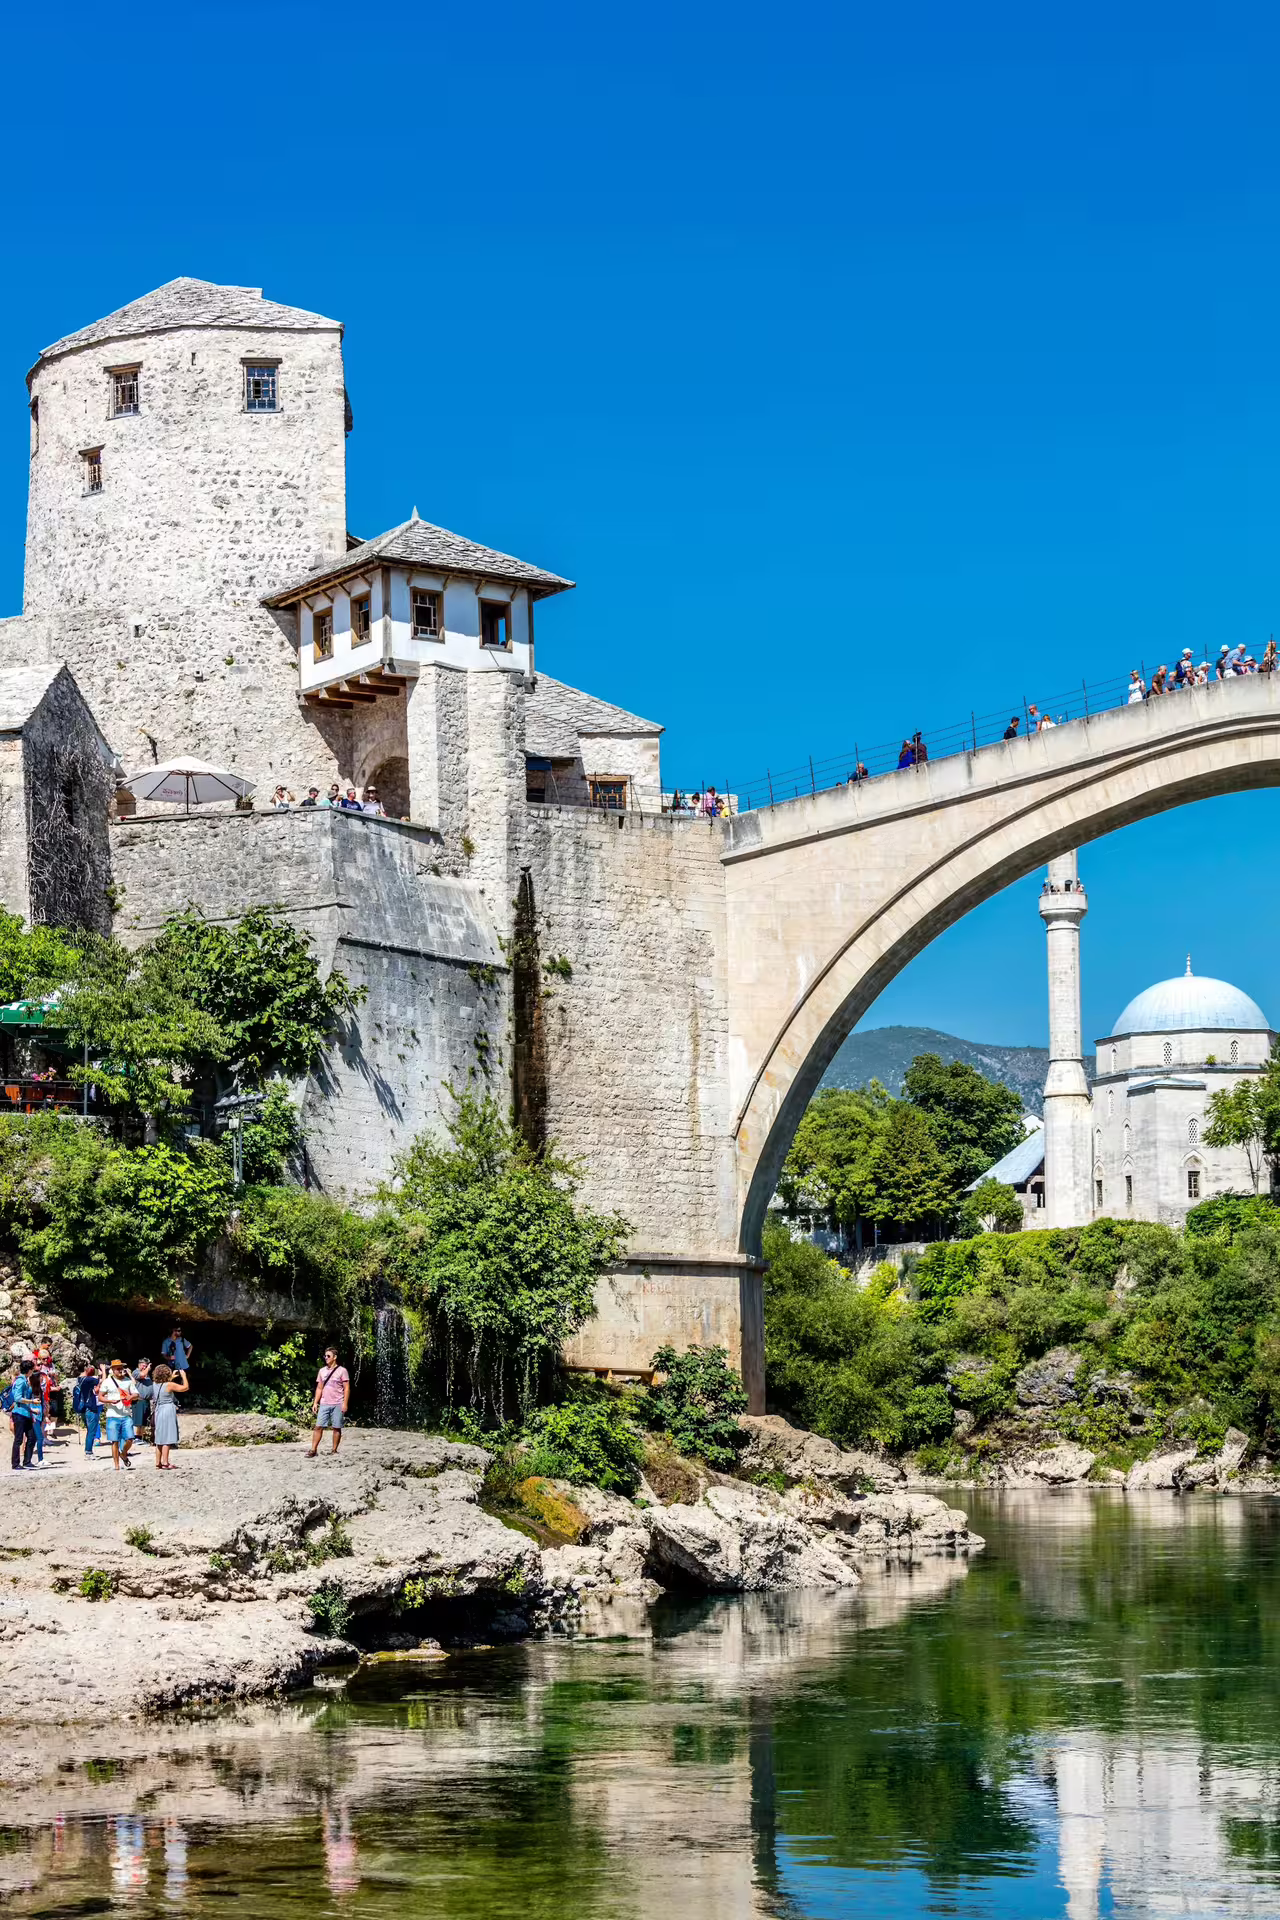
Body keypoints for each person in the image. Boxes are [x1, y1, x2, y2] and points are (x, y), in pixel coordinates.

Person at [309, 1347, 351, 1457]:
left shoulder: (342, 1371)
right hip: (324, 1403)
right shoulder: (322, 1371)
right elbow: (319, 1388)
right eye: (325, 1356)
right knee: (318, 1426)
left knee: (336, 1427)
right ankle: (313, 1450)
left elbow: (346, 1388)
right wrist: (315, 1403)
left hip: (338, 1402)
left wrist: (345, 1403)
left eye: (328, 1356)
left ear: (335, 1357)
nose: (326, 1358)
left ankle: (334, 1450)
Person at [99, 1359, 137, 1470]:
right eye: (118, 1368)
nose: (121, 1370)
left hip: (126, 1414)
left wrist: (131, 1396)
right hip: (112, 1415)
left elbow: (136, 1394)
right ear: (113, 1370)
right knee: (114, 1441)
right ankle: (116, 1466)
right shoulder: (107, 1382)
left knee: (130, 1438)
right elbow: (100, 1397)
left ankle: (123, 1453)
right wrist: (110, 1401)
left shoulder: (128, 1381)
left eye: (122, 1368)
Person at [149, 1364, 188, 1470]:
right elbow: (185, 1388)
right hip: (167, 1410)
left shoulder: (155, 1384)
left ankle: (158, 1463)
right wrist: (183, 1376)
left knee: (160, 1438)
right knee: (167, 1437)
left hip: (159, 1410)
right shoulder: (169, 1385)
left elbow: (163, 1385)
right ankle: (165, 1462)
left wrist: (171, 1378)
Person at [8, 1359, 38, 1470]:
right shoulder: (21, 1381)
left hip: (26, 1413)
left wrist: (31, 1410)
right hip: (19, 1413)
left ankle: (27, 1461)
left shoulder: (24, 1380)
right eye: (32, 1369)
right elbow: (17, 1398)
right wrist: (32, 1402)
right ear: (29, 1370)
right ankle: (15, 1464)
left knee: (32, 1437)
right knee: (19, 1439)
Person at [71, 1360, 101, 1457]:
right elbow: (102, 1382)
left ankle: (88, 1451)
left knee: (89, 1430)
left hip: (83, 1408)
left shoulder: (79, 1379)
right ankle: (88, 1452)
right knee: (92, 1431)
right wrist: (103, 1372)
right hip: (90, 1408)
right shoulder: (88, 1380)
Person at [132, 1358, 154, 1443]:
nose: (145, 1367)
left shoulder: (147, 1375)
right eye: (143, 1365)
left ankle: (141, 1437)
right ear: (139, 1365)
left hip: (146, 1400)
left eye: (146, 1366)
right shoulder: (136, 1372)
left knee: (144, 1420)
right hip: (139, 1400)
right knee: (138, 1420)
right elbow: (141, 1375)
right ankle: (136, 1437)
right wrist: (147, 1368)